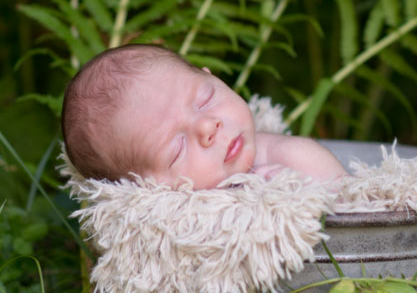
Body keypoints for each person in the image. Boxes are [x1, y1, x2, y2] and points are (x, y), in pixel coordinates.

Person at [61, 44, 347, 190]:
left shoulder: (293, 156)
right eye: (178, 148)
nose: (208, 126)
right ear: (147, 189)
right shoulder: (165, 225)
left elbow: (357, 213)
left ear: (215, 78)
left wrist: (301, 190)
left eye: (205, 99)